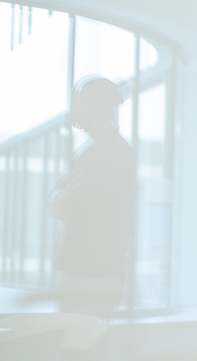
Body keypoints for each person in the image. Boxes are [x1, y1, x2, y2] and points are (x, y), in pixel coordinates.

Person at [50, 75, 136, 318]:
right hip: (87, 270)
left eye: (76, 101)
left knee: (79, 347)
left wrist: (61, 196)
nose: (72, 108)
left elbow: (72, 204)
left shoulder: (110, 152)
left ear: (95, 104)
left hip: (93, 273)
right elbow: (64, 199)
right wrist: (62, 197)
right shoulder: (92, 151)